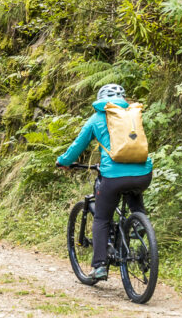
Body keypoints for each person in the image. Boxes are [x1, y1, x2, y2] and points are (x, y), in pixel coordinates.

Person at [55, 83, 153, 282]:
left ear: (101, 100)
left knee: (101, 218)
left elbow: (77, 145)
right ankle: (139, 224)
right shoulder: (132, 116)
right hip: (144, 173)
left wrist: (63, 162)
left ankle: (99, 266)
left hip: (113, 176)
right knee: (133, 193)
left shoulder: (97, 118)